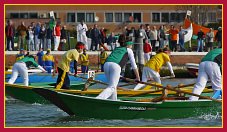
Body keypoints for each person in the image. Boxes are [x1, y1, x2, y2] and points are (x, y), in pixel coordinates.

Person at [96, 34, 140, 101]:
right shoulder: (128, 50)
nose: (131, 46)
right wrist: (138, 78)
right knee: (112, 87)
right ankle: (98, 99)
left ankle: (114, 102)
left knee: (112, 86)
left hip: (106, 64)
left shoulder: (116, 49)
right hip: (115, 66)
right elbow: (134, 65)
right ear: (128, 45)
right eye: (131, 45)